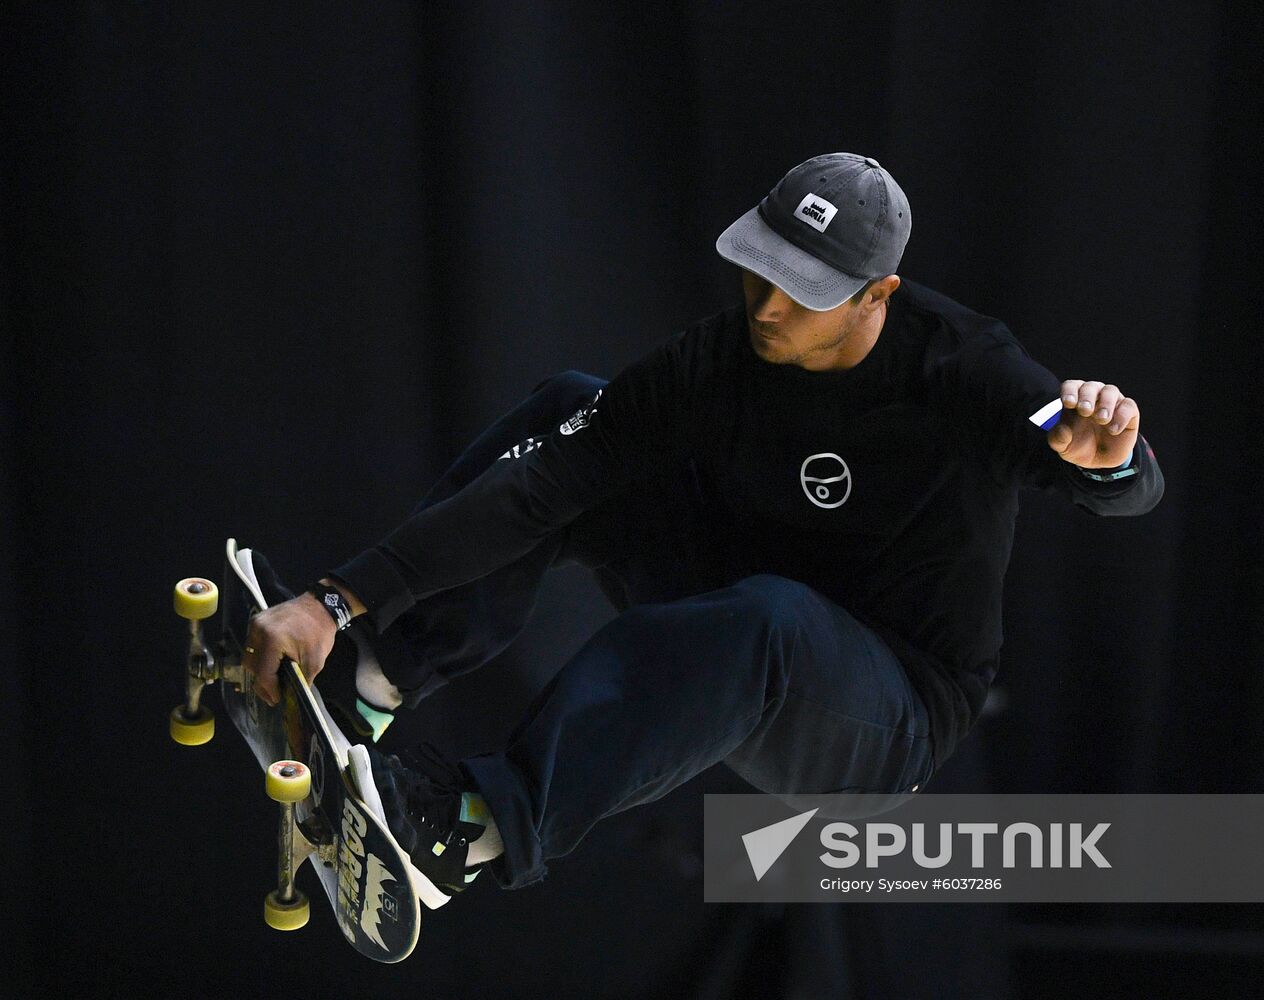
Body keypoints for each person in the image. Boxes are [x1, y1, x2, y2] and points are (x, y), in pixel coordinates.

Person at [240, 151, 1164, 902]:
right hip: (738, 612)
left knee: (772, 617)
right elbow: (543, 485)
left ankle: (469, 835)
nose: (766, 309)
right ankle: (368, 678)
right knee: (569, 412)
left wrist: (1113, 458)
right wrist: (335, 597)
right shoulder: (721, 358)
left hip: (885, 717)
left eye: (802, 295)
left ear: (877, 296)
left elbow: (1127, 490)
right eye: (760, 272)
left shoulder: (967, 371)